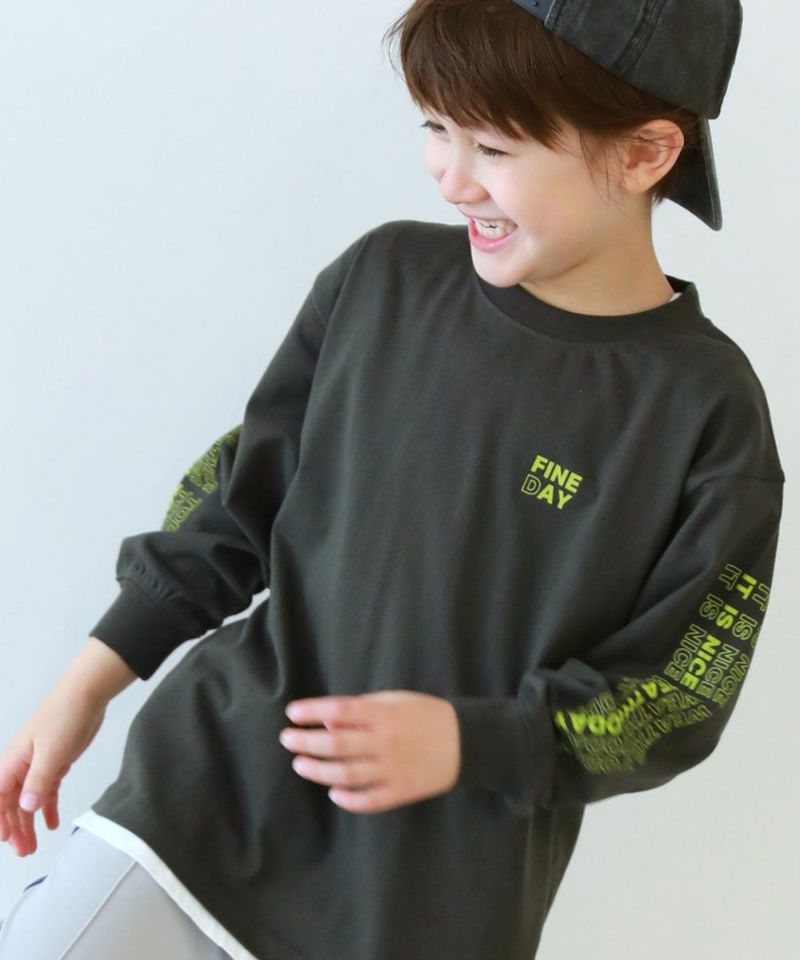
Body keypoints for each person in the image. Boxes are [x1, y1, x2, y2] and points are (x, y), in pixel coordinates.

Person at [0, 1, 786, 958]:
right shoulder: (382, 279)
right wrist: (86, 684)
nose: (450, 175)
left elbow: (678, 695)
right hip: (195, 813)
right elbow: (237, 501)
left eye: (493, 147)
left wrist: (474, 740)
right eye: (436, 127)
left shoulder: (706, 417)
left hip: (424, 912)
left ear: (645, 153)